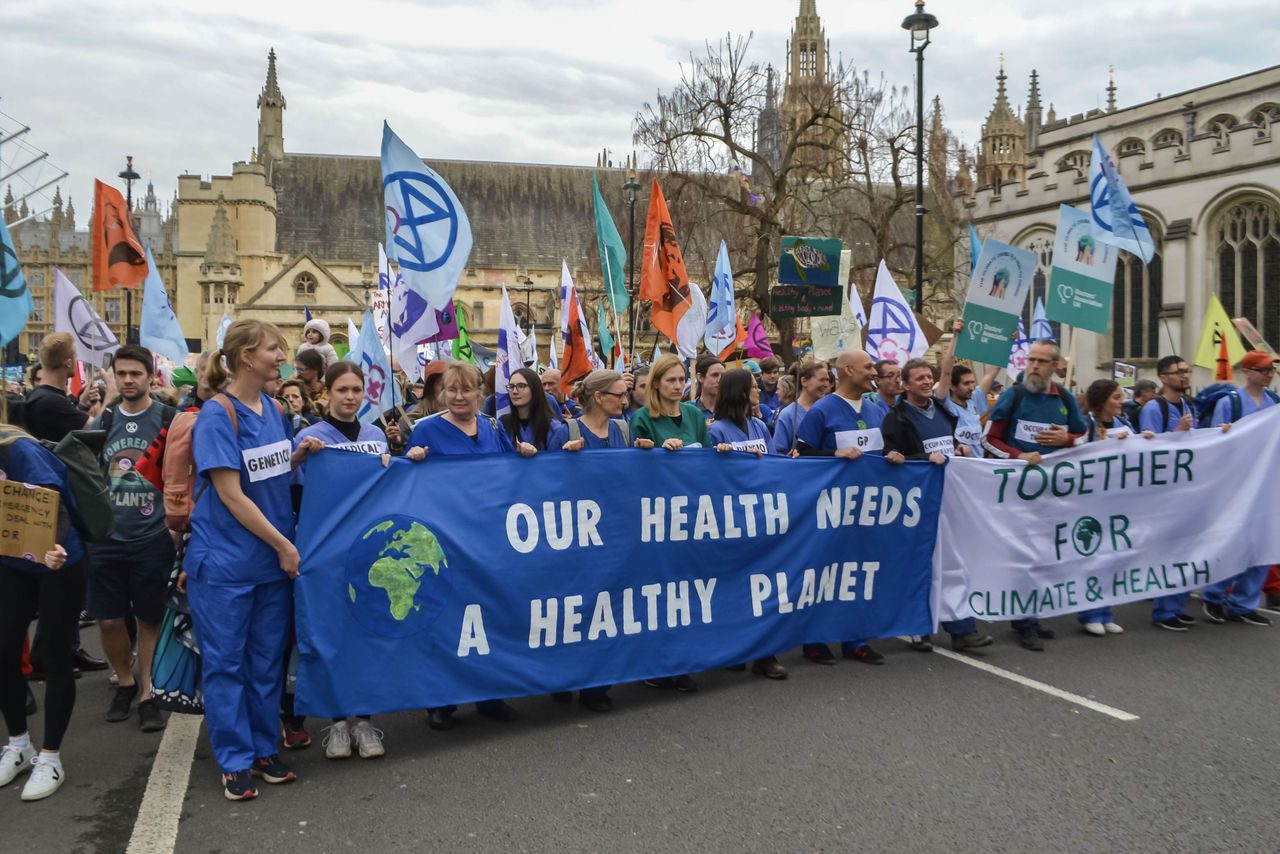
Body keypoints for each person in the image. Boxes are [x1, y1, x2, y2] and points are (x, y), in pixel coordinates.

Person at [186, 319, 313, 801]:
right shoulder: (218, 415)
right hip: (225, 566)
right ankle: (234, 759)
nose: (281, 357)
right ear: (246, 358)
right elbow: (232, 495)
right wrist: (284, 545)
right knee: (225, 664)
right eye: (273, 350)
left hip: (269, 566)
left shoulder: (276, 409)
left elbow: (273, 472)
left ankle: (263, 749)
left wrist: (300, 454)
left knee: (265, 664)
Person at [406, 362, 533, 729]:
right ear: (441, 394)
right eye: (451, 390)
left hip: (490, 540)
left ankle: (490, 696)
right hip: (447, 542)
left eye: (467, 389)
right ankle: (441, 700)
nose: (459, 397)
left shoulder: (493, 427)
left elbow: (512, 475)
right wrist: (410, 461)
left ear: (481, 392)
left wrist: (523, 454)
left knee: (488, 616)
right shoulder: (426, 430)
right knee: (447, 619)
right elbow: (408, 487)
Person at [289, 362, 389, 759]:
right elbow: (293, 494)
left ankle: (363, 722)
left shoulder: (376, 436)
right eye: (342, 390)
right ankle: (336, 723)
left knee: (366, 632)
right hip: (324, 551)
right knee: (330, 635)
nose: (350, 397)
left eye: (356, 390)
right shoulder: (310, 436)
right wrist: (300, 456)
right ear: (326, 393)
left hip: (367, 549)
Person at [88, 345, 177, 733]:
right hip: (107, 537)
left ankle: (147, 693)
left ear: (150, 376)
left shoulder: (167, 419)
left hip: (152, 536)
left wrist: (176, 524)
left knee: (149, 619)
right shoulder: (101, 422)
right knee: (108, 620)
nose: (127, 380)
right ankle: (124, 681)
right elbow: (85, 475)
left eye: (134, 374)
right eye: (121, 374)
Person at [548, 370, 649, 711]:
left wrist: (646, 455)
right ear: (597, 396)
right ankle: (563, 678)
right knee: (577, 611)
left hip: (616, 537)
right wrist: (562, 458)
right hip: (579, 539)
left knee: (609, 611)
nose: (625, 400)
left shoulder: (624, 429)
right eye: (618, 395)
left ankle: (597, 686)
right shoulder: (567, 431)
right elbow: (544, 485)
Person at [794, 349, 899, 665]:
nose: (874, 372)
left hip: (865, 511)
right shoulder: (822, 411)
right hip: (829, 513)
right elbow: (800, 456)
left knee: (858, 575)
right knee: (824, 575)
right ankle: (814, 640)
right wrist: (834, 455)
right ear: (848, 370)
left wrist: (895, 457)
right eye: (868, 367)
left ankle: (856, 639)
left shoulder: (877, 410)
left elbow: (883, 451)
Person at [982, 339, 1087, 651]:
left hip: (1053, 493)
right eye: (1031, 360)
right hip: (1018, 494)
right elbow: (989, 440)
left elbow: (1085, 438)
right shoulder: (1013, 396)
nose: (1034, 366)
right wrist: (1018, 456)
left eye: (1041, 361)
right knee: (1024, 556)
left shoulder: (1064, 397)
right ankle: (1024, 622)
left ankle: (1030, 616)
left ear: (1055, 367)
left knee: (1043, 555)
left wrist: (1068, 439)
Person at [881, 358, 987, 653]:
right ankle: (918, 627)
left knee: (951, 564)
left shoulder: (941, 410)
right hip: (917, 503)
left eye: (929, 377)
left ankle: (962, 630)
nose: (927, 382)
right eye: (920, 379)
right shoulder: (896, 418)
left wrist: (958, 448)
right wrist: (924, 460)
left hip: (948, 498)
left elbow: (945, 444)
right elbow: (890, 457)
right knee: (919, 566)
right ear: (906, 384)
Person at [0, 418, 80, 801]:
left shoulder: (19, 449)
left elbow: (55, 507)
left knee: (52, 653)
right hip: (13, 560)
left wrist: (57, 546)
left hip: (58, 559)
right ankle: (18, 744)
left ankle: (50, 757)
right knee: (3, 650)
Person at [25, 334, 109, 676]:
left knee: (63, 586)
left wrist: (78, 400)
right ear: (66, 364)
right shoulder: (49, 403)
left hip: (55, 499)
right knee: (63, 584)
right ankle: (50, 655)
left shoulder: (47, 399)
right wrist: (111, 395)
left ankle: (66, 648)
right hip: (58, 503)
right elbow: (98, 430)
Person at [628, 354, 708, 692]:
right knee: (657, 593)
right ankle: (654, 663)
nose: (678, 386)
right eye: (671, 380)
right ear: (657, 383)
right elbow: (636, 463)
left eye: (681, 380)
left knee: (684, 593)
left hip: (689, 514)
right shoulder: (642, 418)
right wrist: (659, 449)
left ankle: (682, 661)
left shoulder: (694, 414)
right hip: (655, 519)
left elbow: (704, 455)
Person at [709, 369, 787, 680]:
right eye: (753, 387)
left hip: (762, 516)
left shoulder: (759, 426)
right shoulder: (717, 432)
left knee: (763, 587)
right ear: (740, 393)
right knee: (736, 587)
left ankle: (765, 654)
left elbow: (774, 464)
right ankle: (735, 646)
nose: (758, 391)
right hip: (733, 520)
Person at [1200, 350, 1279, 627]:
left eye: (1270, 370)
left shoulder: (1274, 402)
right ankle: (1214, 595)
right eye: (1263, 370)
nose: (1269, 375)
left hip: (1267, 483)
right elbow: (1215, 442)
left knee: (1264, 543)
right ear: (1248, 371)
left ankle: (1244, 604)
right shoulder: (1230, 402)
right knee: (1232, 541)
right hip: (1235, 483)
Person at [1077, 379, 1156, 636]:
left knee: (1112, 557)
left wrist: (1145, 440)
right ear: (1102, 401)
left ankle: (1105, 611)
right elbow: (1075, 457)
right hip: (1091, 501)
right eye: (1117, 397)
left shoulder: (1124, 424)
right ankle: (1089, 612)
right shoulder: (1086, 424)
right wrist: (1107, 446)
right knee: (1092, 558)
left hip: (1116, 501)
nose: (1122, 402)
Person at [1138, 355, 1201, 631]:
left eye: (1187, 371)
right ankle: (1164, 611)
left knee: (1186, 548)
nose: (1185, 376)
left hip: (1186, 488)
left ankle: (1178, 603)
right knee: (1169, 550)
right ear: (1164, 377)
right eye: (1179, 372)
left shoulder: (1188, 404)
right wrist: (1177, 431)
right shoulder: (1154, 408)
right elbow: (1147, 450)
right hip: (1164, 492)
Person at [499, 367, 565, 451]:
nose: (514, 391)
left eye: (521, 386)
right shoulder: (503, 424)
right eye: (511, 386)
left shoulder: (554, 428)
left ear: (535, 389)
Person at [772, 362, 830, 456]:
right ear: (804, 381)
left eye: (827, 380)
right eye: (822, 380)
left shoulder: (830, 410)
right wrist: (789, 457)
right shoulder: (788, 415)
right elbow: (778, 452)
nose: (826, 384)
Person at [293, 349, 327, 414]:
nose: (299, 373)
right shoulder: (293, 385)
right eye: (297, 369)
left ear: (315, 369)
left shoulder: (326, 391)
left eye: (302, 369)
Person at [693, 355, 725, 422]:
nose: (719, 380)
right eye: (715, 375)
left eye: (723, 376)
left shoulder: (731, 411)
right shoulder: (688, 411)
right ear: (700, 377)